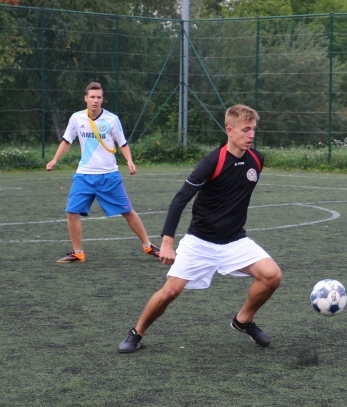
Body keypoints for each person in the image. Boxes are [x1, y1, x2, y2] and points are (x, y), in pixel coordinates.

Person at [117, 104, 282, 354]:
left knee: (272, 275)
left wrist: (238, 222)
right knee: (170, 292)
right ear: (229, 130)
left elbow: (239, 195)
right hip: (200, 241)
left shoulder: (256, 160)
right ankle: (136, 333)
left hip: (234, 241)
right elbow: (180, 200)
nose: (251, 135)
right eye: (245, 130)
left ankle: (243, 320)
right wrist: (167, 243)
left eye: (253, 129)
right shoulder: (212, 161)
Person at [46, 81, 160, 263]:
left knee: (127, 211)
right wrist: (54, 160)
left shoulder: (112, 119)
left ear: (102, 99)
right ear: (85, 98)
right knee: (72, 212)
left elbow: (122, 143)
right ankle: (78, 252)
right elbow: (67, 141)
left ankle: (148, 246)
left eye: (99, 97)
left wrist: (130, 161)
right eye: (92, 97)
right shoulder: (76, 118)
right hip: (84, 175)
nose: (95, 100)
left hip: (109, 175)